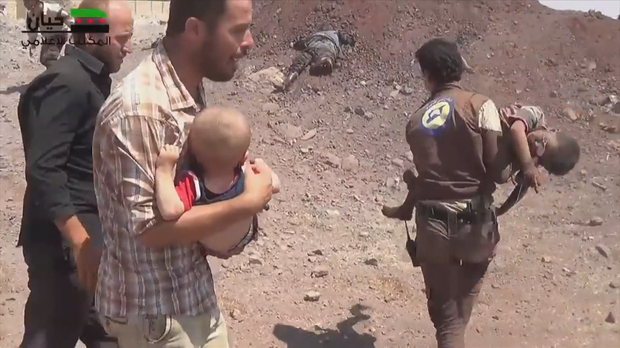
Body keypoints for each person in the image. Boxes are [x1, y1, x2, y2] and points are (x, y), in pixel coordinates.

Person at [92, 0, 275, 347]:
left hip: (189, 298)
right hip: (156, 314)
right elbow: (149, 230)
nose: (249, 41)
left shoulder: (184, 89)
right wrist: (247, 202)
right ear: (194, 29)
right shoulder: (143, 109)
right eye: (237, 30)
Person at [16, 0, 133, 346]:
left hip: (87, 244)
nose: (129, 47)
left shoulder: (90, 80)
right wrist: (79, 241)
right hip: (64, 248)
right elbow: (44, 169)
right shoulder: (65, 83)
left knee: (112, 337)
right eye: (123, 38)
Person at [392, 38, 510, 348]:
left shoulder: (415, 122)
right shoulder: (480, 105)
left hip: (432, 227)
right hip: (476, 223)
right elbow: (497, 170)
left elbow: (427, 175)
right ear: (460, 69)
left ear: (427, 74)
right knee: (458, 316)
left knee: (447, 322)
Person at [382, 104, 581, 220]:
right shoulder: (534, 115)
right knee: (441, 167)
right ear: (551, 130)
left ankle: (419, 197)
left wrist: (503, 209)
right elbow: (516, 130)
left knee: (486, 182)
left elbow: (521, 188)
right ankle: (408, 205)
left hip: (488, 162)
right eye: (543, 141)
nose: (536, 144)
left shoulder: (533, 157)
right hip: (481, 134)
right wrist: (528, 165)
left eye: (540, 153)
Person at [155, 106, 281, 255]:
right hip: (245, 235)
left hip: (209, 244)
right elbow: (275, 185)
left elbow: (171, 211)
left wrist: (164, 170)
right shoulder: (244, 171)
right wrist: (263, 167)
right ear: (242, 156)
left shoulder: (193, 183)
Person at [281, 26, 356, 91]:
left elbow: (301, 43)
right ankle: (327, 59)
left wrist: (294, 44)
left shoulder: (314, 35)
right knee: (328, 52)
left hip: (313, 44)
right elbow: (348, 39)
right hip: (329, 45)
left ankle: (291, 76)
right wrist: (350, 41)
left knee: (303, 58)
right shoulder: (336, 33)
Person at [23, 0, 74, 68]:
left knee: (49, 56)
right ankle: (58, 68)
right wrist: (33, 44)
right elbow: (32, 30)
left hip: (60, 33)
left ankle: (60, 71)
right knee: (43, 59)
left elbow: (68, 19)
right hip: (49, 36)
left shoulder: (53, 9)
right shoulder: (31, 15)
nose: (25, 3)